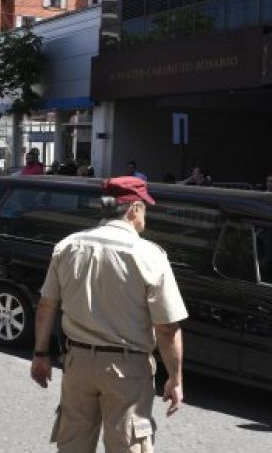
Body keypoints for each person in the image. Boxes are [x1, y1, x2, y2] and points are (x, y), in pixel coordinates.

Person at [31, 176, 187, 453]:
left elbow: (46, 306)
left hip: (77, 362)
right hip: (127, 370)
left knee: (72, 444)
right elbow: (166, 328)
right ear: (133, 209)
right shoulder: (149, 255)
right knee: (128, 445)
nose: (144, 215)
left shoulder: (68, 245)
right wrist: (175, 379)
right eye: (144, 208)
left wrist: (40, 355)